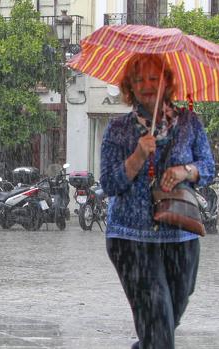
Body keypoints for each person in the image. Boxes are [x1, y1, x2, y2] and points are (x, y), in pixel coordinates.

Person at [100, 54, 215, 349]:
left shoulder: (189, 123)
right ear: (130, 87)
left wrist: (184, 171)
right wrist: (138, 156)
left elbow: (208, 167)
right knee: (157, 320)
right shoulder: (118, 129)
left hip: (181, 233)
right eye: (139, 80)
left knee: (168, 316)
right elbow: (109, 184)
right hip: (131, 237)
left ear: (166, 82)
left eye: (153, 78)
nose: (147, 86)